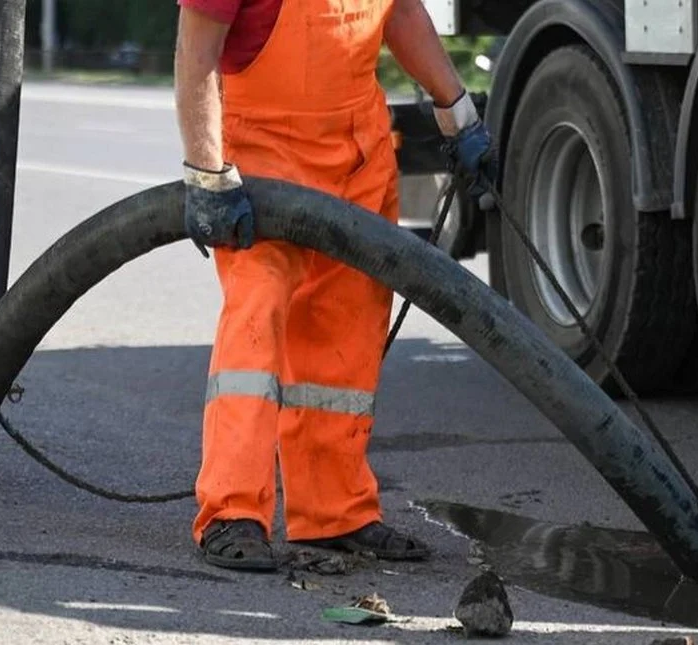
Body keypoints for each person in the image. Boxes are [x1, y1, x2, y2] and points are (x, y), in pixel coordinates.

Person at [173, 0, 494, 571]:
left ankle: (334, 513)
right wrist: (206, 174)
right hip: (265, 167)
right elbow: (196, 54)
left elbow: (400, 13)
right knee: (256, 322)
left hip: (359, 160)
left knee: (344, 341)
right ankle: (231, 513)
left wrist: (457, 110)